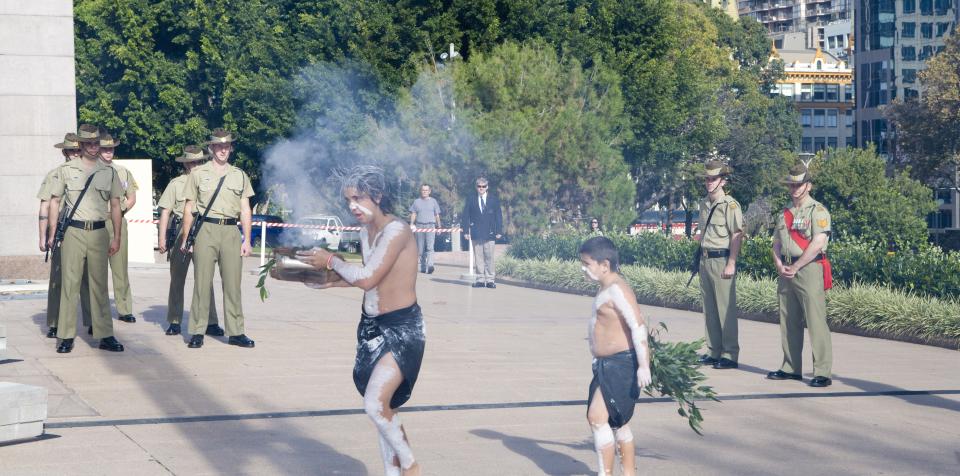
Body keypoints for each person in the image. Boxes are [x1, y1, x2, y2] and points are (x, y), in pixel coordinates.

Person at [300, 165, 425, 476]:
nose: (352, 206)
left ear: (378, 196)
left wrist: (331, 260)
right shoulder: (363, 232)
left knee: (374, 405)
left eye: (358, 198)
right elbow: (368, 279)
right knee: (384, 409)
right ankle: (393, 473)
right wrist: (328, 280)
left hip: (403, 329)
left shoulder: (397, 231)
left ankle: (411, 466)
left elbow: (368, 278)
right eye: (348, 200)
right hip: (371, 329)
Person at [46, 124, 125, 353]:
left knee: (100, 285)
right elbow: (54, 201)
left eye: (95, 143)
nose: (93, 147)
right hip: (73, 232)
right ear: (80, 145)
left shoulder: (108, 172)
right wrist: (52, 233)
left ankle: (105, 334)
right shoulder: (67, 170)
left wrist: (117, 236)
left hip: (100, 232)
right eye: (88, 143)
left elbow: (116, 205)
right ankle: (66, 335)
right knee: (70, 284)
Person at [578, 236, 652, 476]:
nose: (583, 269)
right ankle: (629, 473)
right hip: (606, 365)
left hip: (620, 364)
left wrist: (644, 366)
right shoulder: (606, 288)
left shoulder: (618, 290)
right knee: (617, 421)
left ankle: (605, 473)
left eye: (587, 264)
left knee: (597, 417)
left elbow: (638, 326)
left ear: (604, 265)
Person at [179, 128, 255, 349]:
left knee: (233, 284)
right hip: (206, 229)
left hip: (231, 231)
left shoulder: (239, 175)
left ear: (231, 148)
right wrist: (186, 238)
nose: (223, 150)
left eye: (226, 146)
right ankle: (197, 331)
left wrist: (247, 239)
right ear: (211, 148)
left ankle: (236, 331)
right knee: (202, 283)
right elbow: (189, 207)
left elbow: (245, 209)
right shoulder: (198, 174)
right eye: (218, 146)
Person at [767, 164, 834, 388]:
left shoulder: (818, 210)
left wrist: (796, 266)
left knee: (816, 321)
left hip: (809, 269)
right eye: (791, 184)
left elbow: (819, 243)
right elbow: (776, 242)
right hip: (786, 270)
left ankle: (822, 371)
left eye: (799, 184)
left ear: (808, 186)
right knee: (788, 321)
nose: (794, 188)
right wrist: (778, 263)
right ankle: (790, 367)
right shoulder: (784, 212)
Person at [157, 145, 221, 336]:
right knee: (177, 278)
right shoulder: (176, 183)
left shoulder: (210, 180)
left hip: (203, 229)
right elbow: (166, 211)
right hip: (180, 231)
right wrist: (162, 238)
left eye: (198, 161)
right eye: (191, 162)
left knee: (205, 279)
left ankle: (210, 321)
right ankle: (175, 320)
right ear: (185, 164)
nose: (195, 165)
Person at [37, 133, 92, 338]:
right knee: (58, 279)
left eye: (78, 150)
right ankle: (54, 321)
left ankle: (92, 320)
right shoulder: (56, 174)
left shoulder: (93, 171)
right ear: (64, 152)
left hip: (88, 232)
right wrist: (44, 236)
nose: (75, 154)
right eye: (72, 150)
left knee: (89, 278)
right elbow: (45, 204)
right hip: (62, 231)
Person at [695, 160, 744, 370]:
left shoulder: (730, 205)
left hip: (722, 258)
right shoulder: (704, 203)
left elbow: (737, 234)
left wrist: (731, 262)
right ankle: (714, 350)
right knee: (710, 308)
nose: (709, 182)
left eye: (713, 179)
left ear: (722, 181)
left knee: (725, 309)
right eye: (707, 178)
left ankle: (730, 354)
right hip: (705, 259)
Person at [97, 132, 138, 323]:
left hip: (117, 222)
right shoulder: (92, 171)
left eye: (111, 149)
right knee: (96, 270)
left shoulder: (123, 171)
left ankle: (124, 308)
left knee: (120, 267)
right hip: (96, 222)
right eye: (104, 149)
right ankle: (99, 310)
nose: (108, 152)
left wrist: (120, 210)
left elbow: (132, 198)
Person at [461, 176, 503, 288]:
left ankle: (490, 280)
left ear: (487, 187)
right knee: (478, 257)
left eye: (483, 186)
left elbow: (498, 216)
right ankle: (480, 279)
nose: (481, 188)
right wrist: (465, 231)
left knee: (489, 257)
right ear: (476, 187)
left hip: (490, 233)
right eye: (479, 186)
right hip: (476, 232)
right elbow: (466, 215)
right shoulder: (471, 199)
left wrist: (499, 230)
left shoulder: (494, 200)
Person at [408, 184, 441, 274]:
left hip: (431, 226)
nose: (424, 192)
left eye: (426, 190)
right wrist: (411, 224)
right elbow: (414, 213)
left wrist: (439, 226)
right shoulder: (416, 202)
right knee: (421, 249)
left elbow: (437, 215)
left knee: (430, 247)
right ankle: (422, 267)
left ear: (429, 191)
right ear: (421, 191)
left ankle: (430, 265)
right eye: (423, 190)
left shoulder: (434, 201)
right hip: (419, 227)